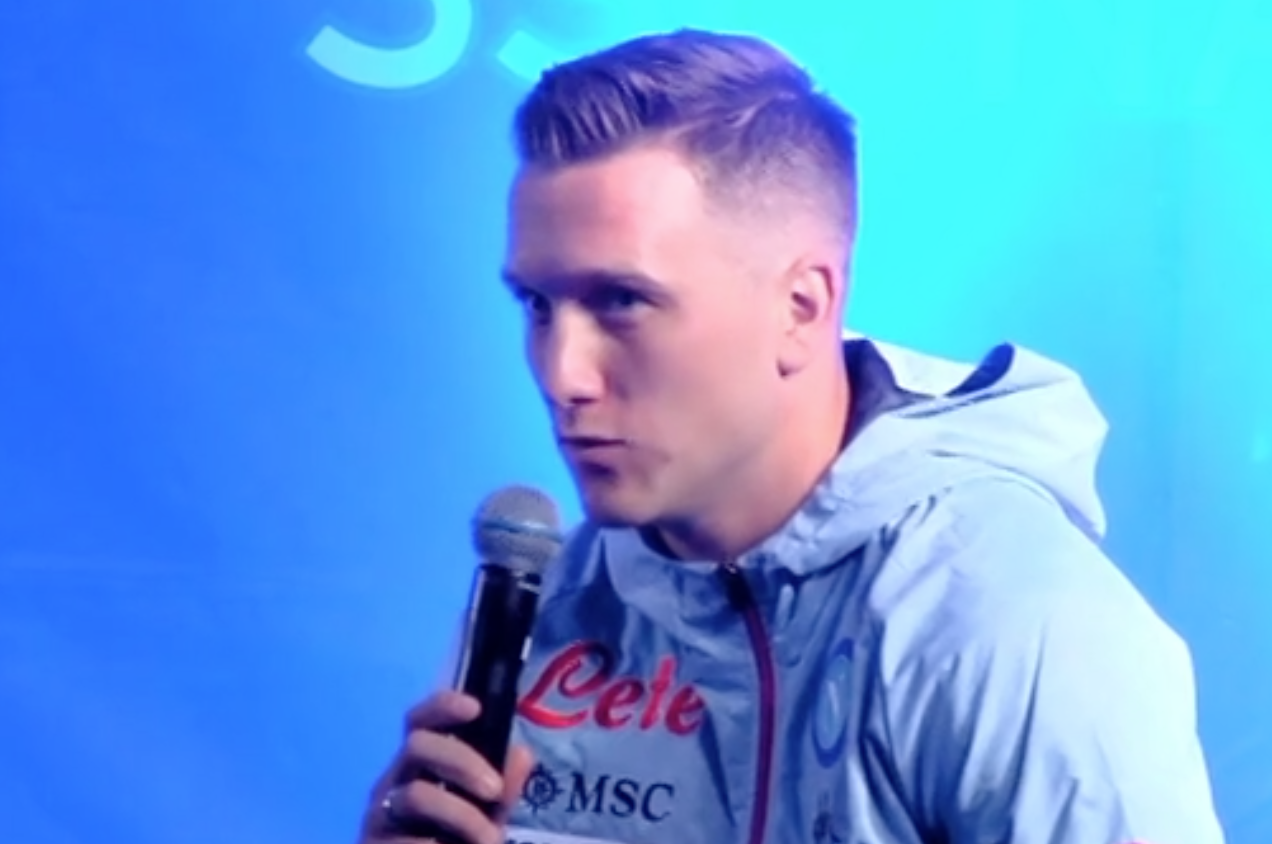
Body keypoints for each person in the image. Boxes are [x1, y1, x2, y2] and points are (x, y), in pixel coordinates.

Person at [356, 28, 1224, 844]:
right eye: (537, 305)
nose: (561, 373)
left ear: (801, 307)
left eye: (621, 301)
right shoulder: (545, 609)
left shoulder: (1013, 621)